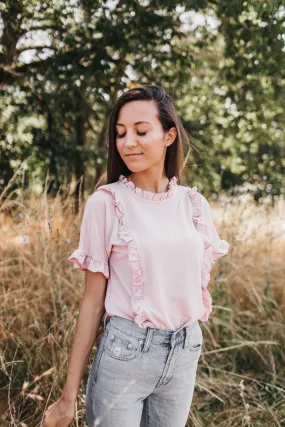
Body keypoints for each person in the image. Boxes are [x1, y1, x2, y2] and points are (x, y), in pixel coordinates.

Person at [43, 85, 229, 427]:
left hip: (184, 352)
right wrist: (68, 396)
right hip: (124, 353)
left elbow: (196, 283)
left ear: (169, 135)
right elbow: (92, 301)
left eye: (141, 131)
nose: (128, 142)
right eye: (120, 133)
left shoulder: (194, 205)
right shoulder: (107, 202)